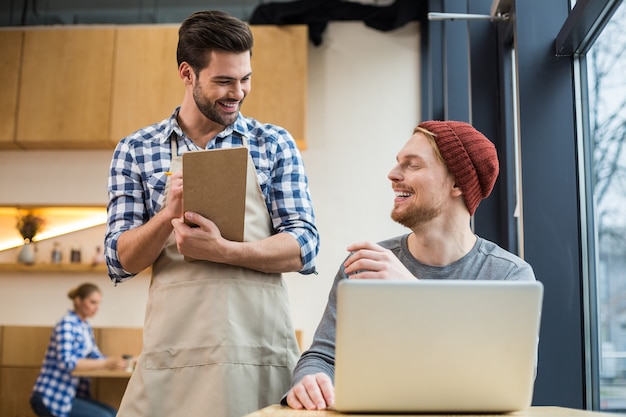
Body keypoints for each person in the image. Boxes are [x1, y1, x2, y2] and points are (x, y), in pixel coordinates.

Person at [104, 10, 319, 417]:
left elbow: (304, 246)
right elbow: (121, 258)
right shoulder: (135, 150)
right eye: (223, 81)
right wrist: (168, 213)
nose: (237, 92)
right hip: (173, 355)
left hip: (256, 351)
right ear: (187, 74)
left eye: (245, 79)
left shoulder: (273, 143)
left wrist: (224, 251)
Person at [283, 120, 537, 410]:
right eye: (398, 164)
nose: (392, 175)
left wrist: (412, 294)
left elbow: (508, 383)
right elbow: (324, 358)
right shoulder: (365, 266)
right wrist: (310, 380)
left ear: (457, 182)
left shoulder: (508, 276)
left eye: (412, 165)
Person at [30, 283, 128, 417]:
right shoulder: (67, 323)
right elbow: (67, 362)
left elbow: (96, 357)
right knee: (106, 416)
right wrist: (105, 364)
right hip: (53, 396)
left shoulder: (85, 326)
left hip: (70, 395)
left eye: (98, 303)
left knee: (114, 413)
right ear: (78, 301)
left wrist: (120, 362)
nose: (96, 308)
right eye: (92, 302)